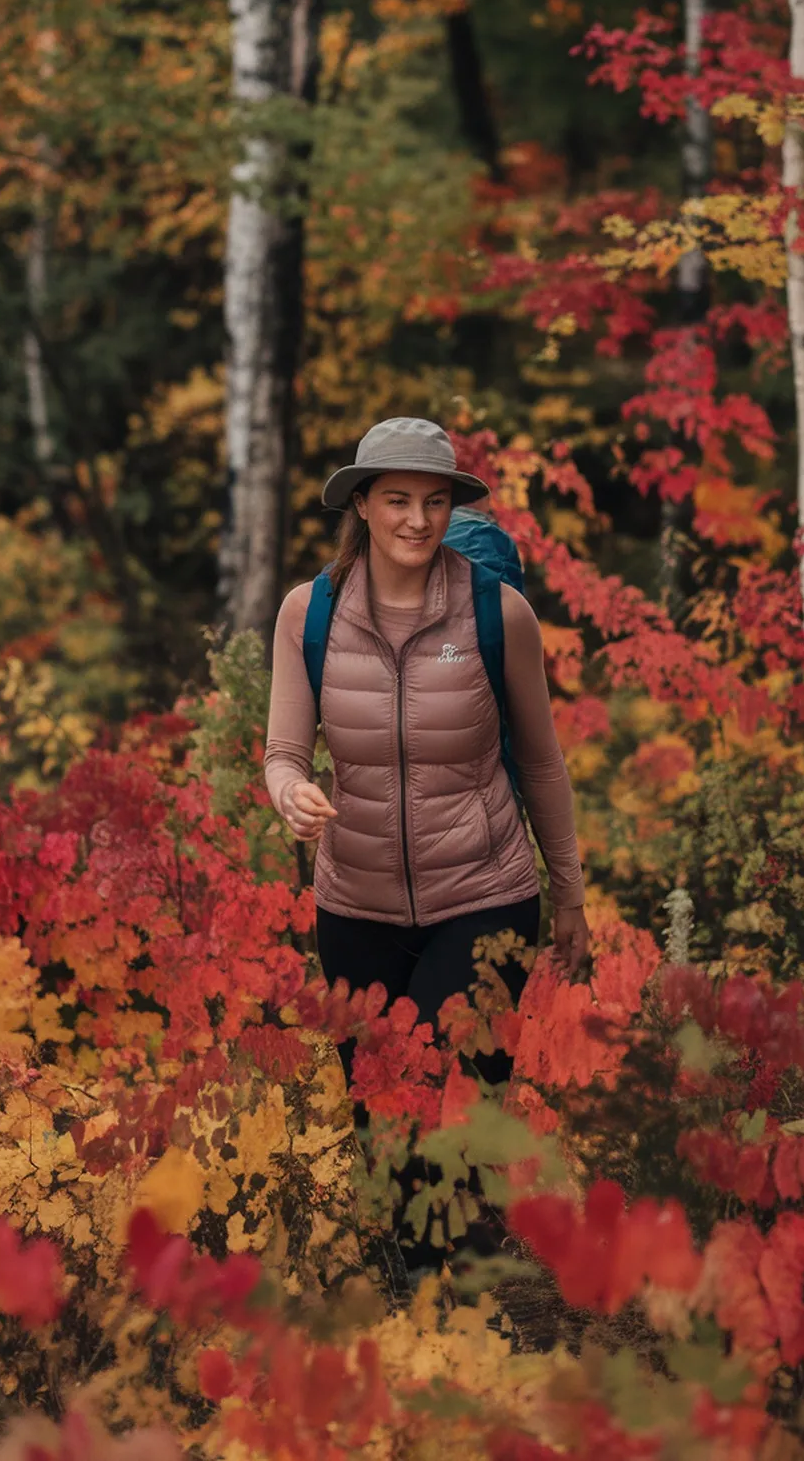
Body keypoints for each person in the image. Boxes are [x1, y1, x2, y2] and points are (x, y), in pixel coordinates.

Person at [264, 416, 588, 1282]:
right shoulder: (311, 612)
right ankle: (416, 1297)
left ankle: (458, 1292)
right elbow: (284, 753)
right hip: (356, 903)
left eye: (435, 502)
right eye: (399, 499)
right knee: (377, 1112)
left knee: (452, 1089)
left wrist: (570, 898)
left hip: (486, 892)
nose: (417, 519)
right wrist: (289, 794)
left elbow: (544, 764)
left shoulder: (496, 610)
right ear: (362, 504)